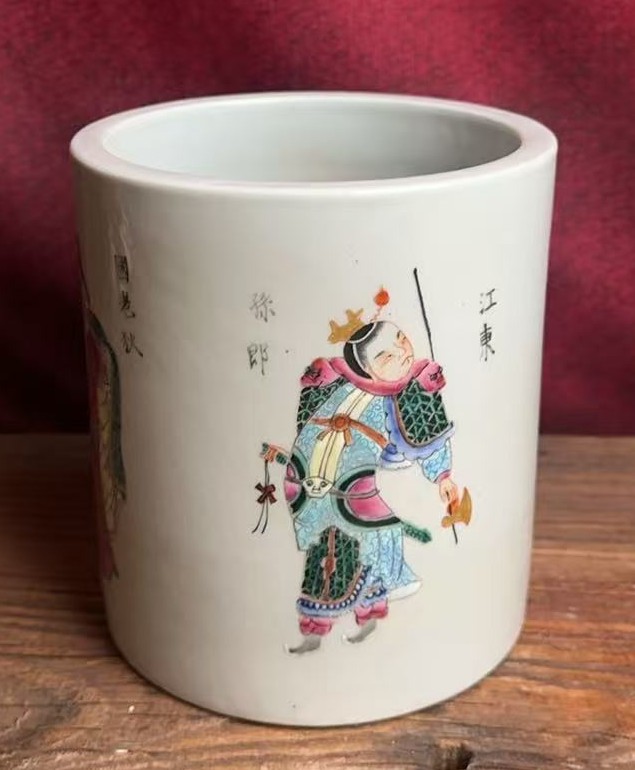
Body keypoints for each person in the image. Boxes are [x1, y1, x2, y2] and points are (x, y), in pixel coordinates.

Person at [264, 307, 460, 654]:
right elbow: (308, 433)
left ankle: (369, 621)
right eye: (387, 356)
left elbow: (427, 441)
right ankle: (315, 630)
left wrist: (442, 477)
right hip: (317, 491)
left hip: (358, 493)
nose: (403, 353)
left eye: (401, 340)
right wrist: (289, 461)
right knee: (322, 564)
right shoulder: (335, 386)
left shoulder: (411, 391)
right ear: (367, 368)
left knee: (371, 554)